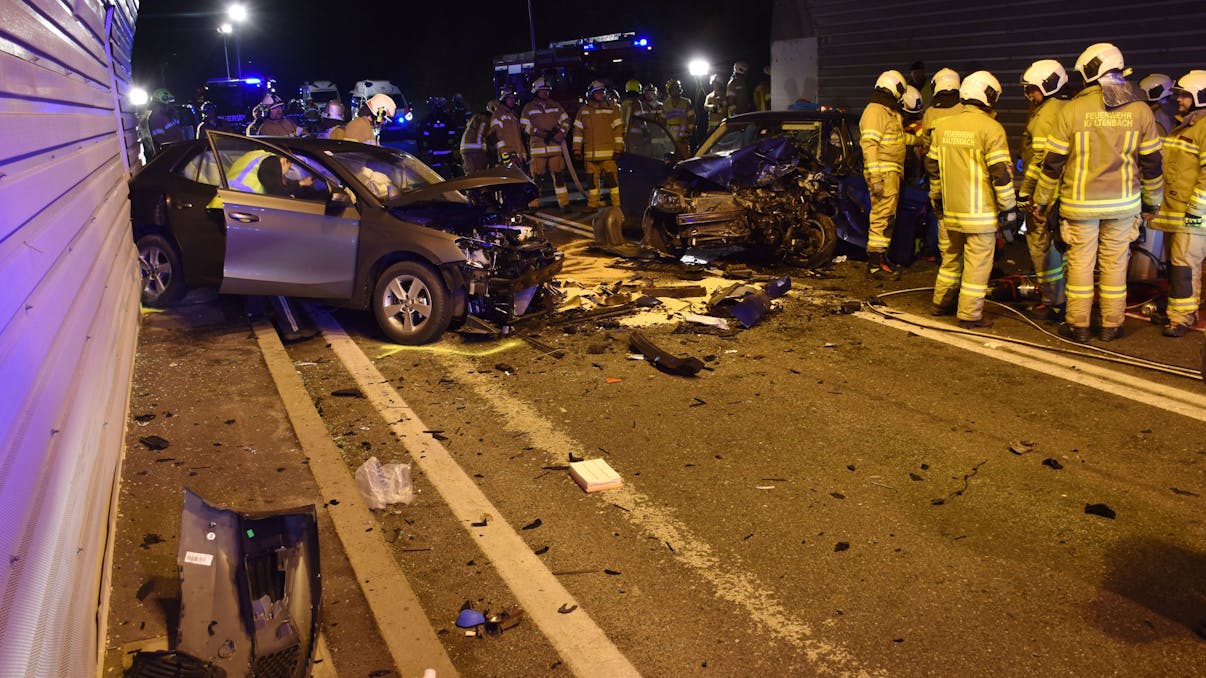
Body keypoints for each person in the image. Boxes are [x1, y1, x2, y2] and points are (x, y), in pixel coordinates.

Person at [1034, 43, 1164, 343]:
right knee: (1115, 266)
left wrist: (1041, 200)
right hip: (1123, 205)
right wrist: (1153, 202)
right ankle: (1111, 325)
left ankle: (1078, 325)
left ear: (1090, 72)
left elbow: (1053, 164)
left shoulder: (1073, 109)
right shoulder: (1141, 110)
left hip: (1080, 206)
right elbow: (1153, 164)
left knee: (1080, 264)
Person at [926, 71, 1017, 328]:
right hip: (981, 214)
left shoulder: (943, 127)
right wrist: (1009, 208)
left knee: (951, 260)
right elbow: (1000, 174)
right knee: (977, 266)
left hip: (952, 210)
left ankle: (940, 304)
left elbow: (932, 166)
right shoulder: (991, 129)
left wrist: (938, 199)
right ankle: (968, 315)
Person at [1015, 59, 1071, 323]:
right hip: (1062, 194)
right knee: (1061, 247)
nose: (1029, 95)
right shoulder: (1064, 108)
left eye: (1033, 89)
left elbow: (1040, 160)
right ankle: (1062, 300)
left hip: (1043, 194)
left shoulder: (1046, 115)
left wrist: (1026, 193)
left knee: (1041, 246)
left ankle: (1053, 301)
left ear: (1048, 86)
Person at [1151, 70, 1206, 337]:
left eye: (1185, 95)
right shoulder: (1186, 126)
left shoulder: (1203, 128)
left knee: (1184, 266)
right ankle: (1178, 311)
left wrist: (1196, 208)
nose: (1180, 100)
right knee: (1177, 265)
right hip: (1178, 211)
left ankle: (1182, 317)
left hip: (1193, 213)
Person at [859, 69, 910, 278]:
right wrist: (876, 177)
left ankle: (881, 259)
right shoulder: (876, 111)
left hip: (890, 175)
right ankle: (875, 265)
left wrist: (920, 139)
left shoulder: (887, 111)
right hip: (884, 175)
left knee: (886, 217)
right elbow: (869, 145)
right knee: (882, 218)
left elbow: (897, 140)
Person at [915, 68, 962, 261]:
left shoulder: (931, 113)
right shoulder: (964, 110)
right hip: (961, 172)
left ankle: (937, 250)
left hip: (937, 171)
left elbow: (926, 145)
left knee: (938, 212)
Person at [572, 81, 624, 209]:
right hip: (590, 155)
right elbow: (578, 131)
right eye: (598, 92)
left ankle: (617, 205)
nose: (601, 94)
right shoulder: (583, 111)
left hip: (608, 154)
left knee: (612, 182)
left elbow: (618, 130)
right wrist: (576, 150)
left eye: (602, 92)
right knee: (591, 183)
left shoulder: (611, 109)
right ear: (591, 94)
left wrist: (618, 148)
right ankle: (592, 205)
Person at [520, 77, 571, 209]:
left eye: (547, 90)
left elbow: (566, 121)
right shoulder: (529, 107)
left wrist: (561, 133)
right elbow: (524, 125)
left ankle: (564, 204)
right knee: (537, 179)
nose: (545, 93)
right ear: (536, 92)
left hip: (555, 147)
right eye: (542, 90)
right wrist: (538, 132)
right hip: (538, 149)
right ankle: (534, 204)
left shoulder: (555, 105)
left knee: (559, 176)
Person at [490, 89, 525, 166]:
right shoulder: (498, 114)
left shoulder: (514, 116)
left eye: (514, 98)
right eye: (510, 98)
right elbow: (495, 135)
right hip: (507, 155)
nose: (513, 100)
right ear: (504, 99)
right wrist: (504, 153)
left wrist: (523, 153)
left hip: (517, 156)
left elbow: (518, 137)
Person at [662, 79, 696, 157]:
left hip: (682, 138)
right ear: (669, 90)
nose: (676, 90)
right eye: (673, 88)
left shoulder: (686, 103)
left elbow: (692, 119)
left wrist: (688, 133)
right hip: (669, 140)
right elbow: (662, 121)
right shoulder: (665, 104)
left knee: (684, 160)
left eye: (677, 87)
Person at [460, 100, 495, 175]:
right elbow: (490, 134)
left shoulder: (476, 116)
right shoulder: (489, 119)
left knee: (470, 174)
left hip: (465, 148)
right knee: (480, 173)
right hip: (477, 148)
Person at [146, 88, 184, 156]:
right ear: (163, 101)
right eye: (169, 101)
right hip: (171, 153)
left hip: (178, 150)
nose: (171, 104)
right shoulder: (156, 117)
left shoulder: (167, 115)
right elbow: (161, 139)